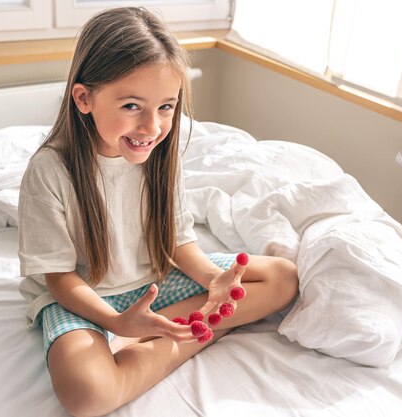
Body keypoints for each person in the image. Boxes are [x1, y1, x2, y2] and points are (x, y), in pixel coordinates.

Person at [18, 6, 299, 417]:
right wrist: (116, 324)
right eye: (132, 106)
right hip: (86, 296)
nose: (152, 127)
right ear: (84, 98)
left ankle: (165, 334)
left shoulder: (159, 154)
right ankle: (193, 332)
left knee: (283, 276)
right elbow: (60, 279)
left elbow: (177, 240)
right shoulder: (49, 171)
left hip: (156, 279)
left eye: (166, 107)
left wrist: (212, 279)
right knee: (86, 393)